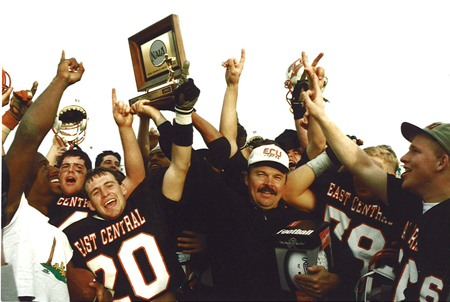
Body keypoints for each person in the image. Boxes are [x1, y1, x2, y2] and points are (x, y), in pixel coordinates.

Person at [300, 50, 450, 301]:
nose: (404, 158)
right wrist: (321, 114)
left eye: (415, 151)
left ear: (441, 162)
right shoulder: (410, 201)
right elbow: (361, 164)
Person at [64, 60, 199, 301]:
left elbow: (169, 167)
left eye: (109, 186)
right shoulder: (75, 234)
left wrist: (126, 127)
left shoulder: (146, 204)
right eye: (95, 192)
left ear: (123, 189)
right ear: (90, 205)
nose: (105, 194)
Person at [2, 51, 111, 301]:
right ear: (22, 179)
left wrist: (96, 296)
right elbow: (28, 137)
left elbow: (80, 290)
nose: (55, 169)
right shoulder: (13, 213)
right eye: (44, 167)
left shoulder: (59, 237)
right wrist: (61, 80)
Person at [48, 89, 146, 230]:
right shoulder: (49, 195)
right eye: (65, 167)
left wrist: (125, 127)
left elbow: (136, 177)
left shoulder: (97, 197)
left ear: (87, 174)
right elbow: (40, 172)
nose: (71, 171)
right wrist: (55, 146)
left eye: (78, 169)